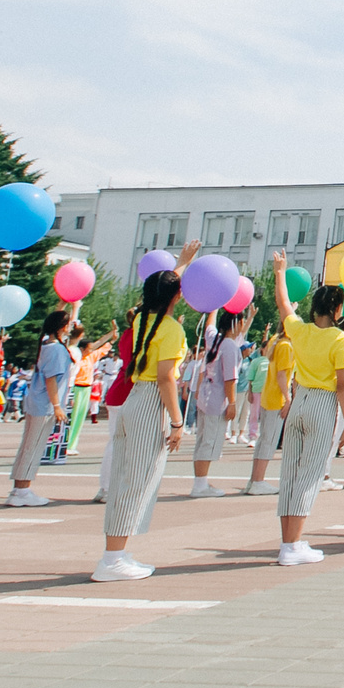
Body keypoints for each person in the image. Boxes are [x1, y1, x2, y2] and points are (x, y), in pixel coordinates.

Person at [97, 245, 201, 581]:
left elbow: (162, 290)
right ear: (177, 296)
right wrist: (177, 420)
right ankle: (112, 558)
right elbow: (166, 378)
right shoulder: (171, 329)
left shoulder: (142, 318)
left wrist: (182, 265)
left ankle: (118, 553)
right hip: (151, 402)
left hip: (133, 399)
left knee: (129, 476)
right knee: (136, 480)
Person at [268, 249, 344, 565]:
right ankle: (293, 546)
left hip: (298, 400)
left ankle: (287, 542)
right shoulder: (340, 340)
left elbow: (282, 304)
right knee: (310, 474)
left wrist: (280, 271)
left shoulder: (300, 331)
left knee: (290, 472)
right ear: (335, 308)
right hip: (322, 403)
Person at [7, 311, 75, 508]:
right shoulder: (55, 349)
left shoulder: (47, 344)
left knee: (28, 445)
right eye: (68, 323)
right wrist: (56, 406)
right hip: (44, 405)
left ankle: (19, 488)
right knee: (33, 446)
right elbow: (51, 378)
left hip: (37, 402)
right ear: (62, 327)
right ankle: (22, 490)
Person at [188, 307, 247, 499]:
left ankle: (200, 482)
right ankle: (200, 485)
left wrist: (214, 305)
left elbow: (209, 326)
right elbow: (230, 378)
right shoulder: (229, 345)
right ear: (236, 324)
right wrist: (232, 403)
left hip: (205, 395)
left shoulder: (215, 339)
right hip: (216, 399)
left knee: (203, 440)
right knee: (210, 442)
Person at [245, 320, 291, 496]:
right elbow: (281, 375)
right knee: (269, 441)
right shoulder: (286, 346)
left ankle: (254, 479)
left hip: (266, 395)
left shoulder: (274, 340)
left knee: (264, 439)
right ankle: (258, 480)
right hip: (276, 398)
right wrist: (288, 398)